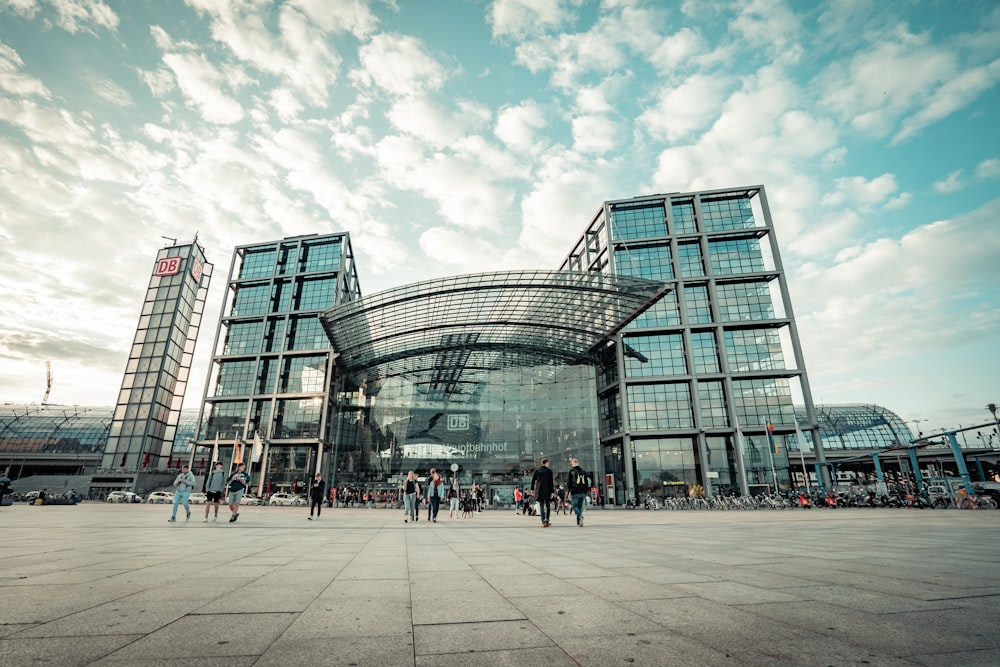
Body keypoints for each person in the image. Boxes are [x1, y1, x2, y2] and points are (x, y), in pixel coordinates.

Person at [530, 458, 555, 527]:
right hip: (547, 491)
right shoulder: (549, 471)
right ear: (546, 463)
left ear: (541, 463)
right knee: (548, 506)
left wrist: (532, 489)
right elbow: (551, 482)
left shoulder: (537, 471)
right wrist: (552, 492)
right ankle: (547, 520)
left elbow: (533, 481)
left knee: (541, 506)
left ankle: (543, 521)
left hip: (539, 490)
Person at [567, 457, 590, 527]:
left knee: (574, 506)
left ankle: (580, 516)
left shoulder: (571, 471)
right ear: (578, 463)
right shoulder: (583, 471)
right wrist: (586, 491)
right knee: (579, 507)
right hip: (582, 492)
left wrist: (569, 490)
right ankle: (578, 522)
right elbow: (586, 482)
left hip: (575, 492)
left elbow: (569, 482)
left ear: (573, 464)